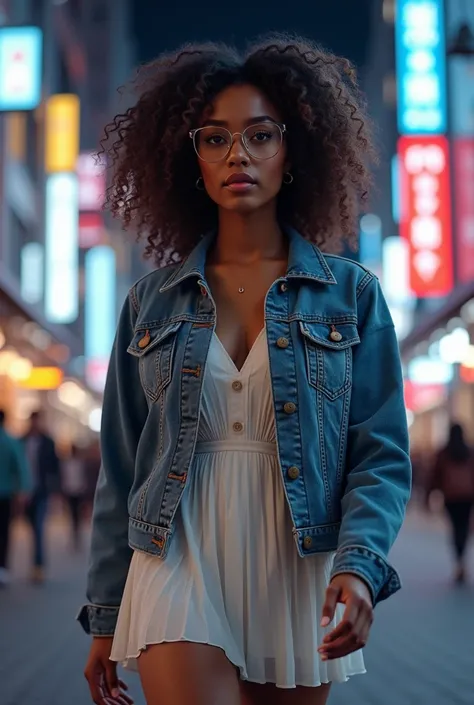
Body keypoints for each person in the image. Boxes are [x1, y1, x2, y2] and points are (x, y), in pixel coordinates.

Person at [80, 35, 412, 705]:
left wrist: (360, 566)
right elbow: (120, 468)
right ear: (190, 159)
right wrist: (106, 615)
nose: (238, 154)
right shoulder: (150, 301)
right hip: (176, 554)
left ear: (293, 154)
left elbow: (380, 452)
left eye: (261, 135)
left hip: (297, 562)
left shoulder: (352, 295)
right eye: (215, 138)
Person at [430, 423, 474, 584]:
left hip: (450, 496)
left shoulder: (444, 452)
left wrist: (430, 495)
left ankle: (459, 561)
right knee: (464, 527)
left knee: (456, 528)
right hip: (467, 496)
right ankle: (463, 561)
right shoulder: (469, 451)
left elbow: (435, 476)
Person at [23, 410, 60, 583]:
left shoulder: (48, 442)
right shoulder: (21, 441)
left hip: (42, 491)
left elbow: (55, 468)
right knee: (31, 528)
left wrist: (55, 492)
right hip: (24, 493)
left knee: (38, 528)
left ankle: (38, 567)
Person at [0, 409, 31, 586]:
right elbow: (21, 467)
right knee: (4, 532)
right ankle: (2, 568)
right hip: (5, 494)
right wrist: (23, 490)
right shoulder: (10, 441)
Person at [61, 444, 87, 551]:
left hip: (78, 492)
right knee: (72, 515)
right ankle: (74, 536)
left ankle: (77, 537)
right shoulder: (67, 463)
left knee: (77, 516)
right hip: (70, 492)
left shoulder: (80, 463)